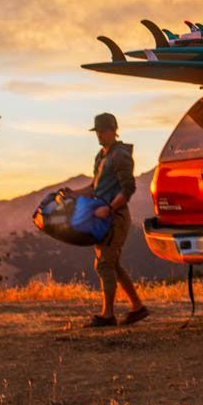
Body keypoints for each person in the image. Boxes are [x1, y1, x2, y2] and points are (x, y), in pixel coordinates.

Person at [59, 112, 148, 328]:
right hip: (102, 216)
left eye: (102, 131)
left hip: (115, 217)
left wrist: (109, 208)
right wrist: (73, 194)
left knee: (104, 263)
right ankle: (137, 307)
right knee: (112, 264)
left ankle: (107, 315)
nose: (99, 135)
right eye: (97, 131)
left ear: (112, 130)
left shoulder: (121, 156)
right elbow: (94, 188)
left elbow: (128, 189)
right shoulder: (101, 156)